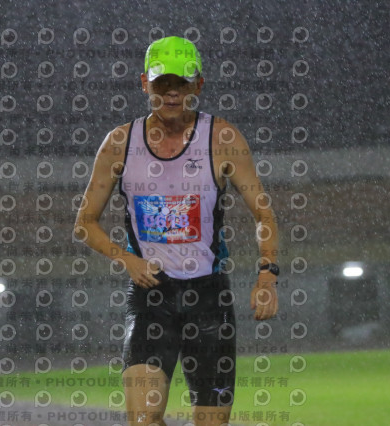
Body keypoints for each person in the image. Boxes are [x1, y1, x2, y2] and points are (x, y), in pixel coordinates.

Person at [74, 36, 279, 426]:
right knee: (143, 419)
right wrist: (127, 259)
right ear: (144, 84)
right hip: (152, 296)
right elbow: (84, 223)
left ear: (198, 84)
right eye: (161, 83)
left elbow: (263, 214)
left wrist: (267, 274)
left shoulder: (222, 139)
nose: (171, 93)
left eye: (181, 83)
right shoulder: (120, 144)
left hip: (210, 301)